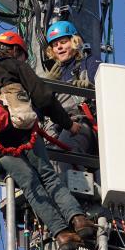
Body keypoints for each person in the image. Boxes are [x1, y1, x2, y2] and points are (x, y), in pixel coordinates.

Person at [0, 31, 94, 250]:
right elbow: (44, 97)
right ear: (14, 50)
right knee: (48, 175)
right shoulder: (14, 65)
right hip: (21, 130)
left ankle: (62, 235)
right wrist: (68, 125)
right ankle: (78, 220)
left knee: (30, 186)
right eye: (22, 55)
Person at [42, 21, 101, 170]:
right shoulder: (53, 74)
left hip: (81, 123)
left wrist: (92, 87)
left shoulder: (89, 63)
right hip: (55, 130)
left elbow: (108, 88)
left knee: (65, 153)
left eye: (63, 42)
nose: (59, 47)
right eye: (55, 45)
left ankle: (75, 189)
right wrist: (45, 87)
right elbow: (37, 111)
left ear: (74, 42)